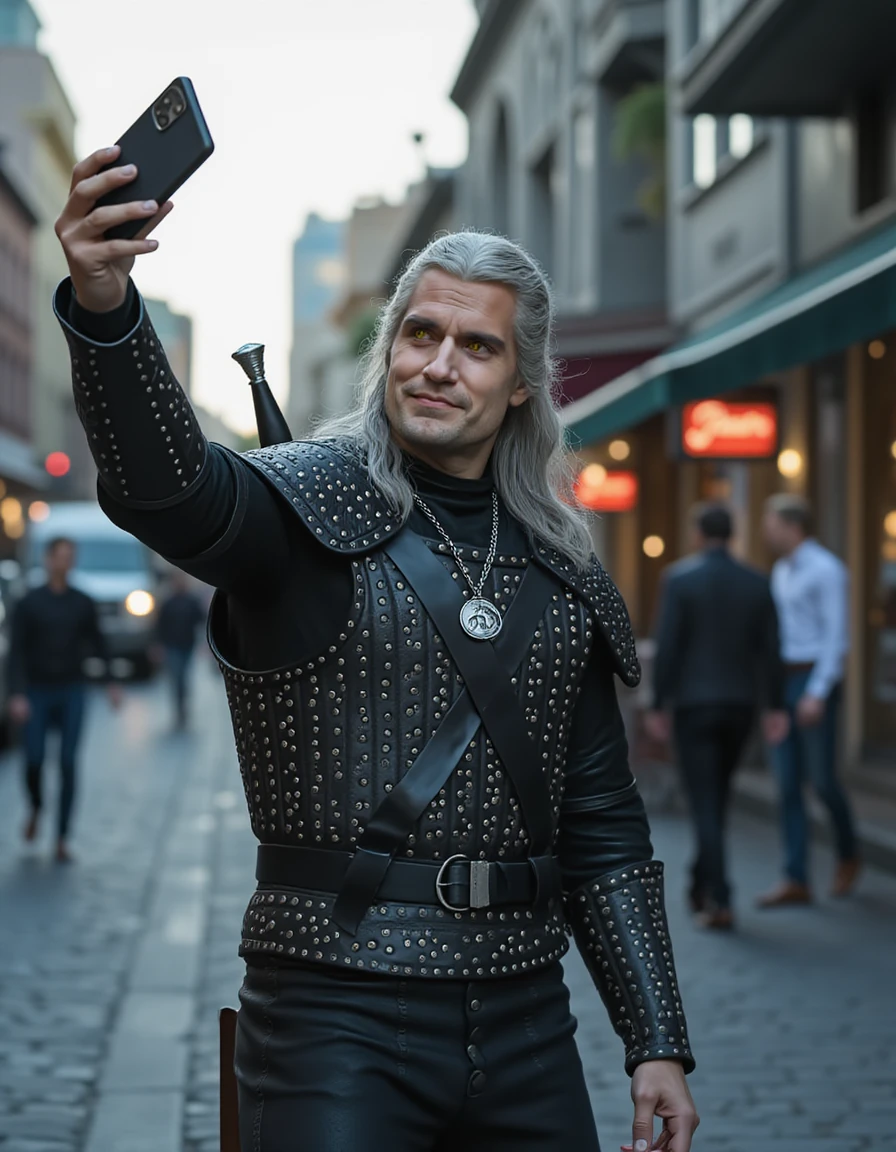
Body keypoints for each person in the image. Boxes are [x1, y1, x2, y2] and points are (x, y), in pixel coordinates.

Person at [51, 146, 699, 1152]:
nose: (438, 363)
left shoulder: (564, 571)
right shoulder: (300, 509)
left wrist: (654, 1040)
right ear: (390, 346)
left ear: (521, 384)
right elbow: (166, 493)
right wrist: (107, 311)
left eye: (475, 347)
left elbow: (602, 826)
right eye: (419, 332)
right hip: (330, 1013)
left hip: (529, 1017)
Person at [645, 504, 788, 930]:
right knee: (717, 797)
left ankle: (719, 896)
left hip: (693, 706)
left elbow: (667, 646)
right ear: (733, 534)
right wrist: (776, 707)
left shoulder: (681, 579)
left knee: (705, 801)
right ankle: (700, 881)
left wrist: (657, 704)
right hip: (740, 705)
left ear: (697, 534)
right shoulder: (757, 582)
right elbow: (771, 650)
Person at [757, 494, 860, 907]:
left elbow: (837, 638)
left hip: (814, 680)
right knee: (786, 784)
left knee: (821, 780)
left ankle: (849, 854)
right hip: (784, 683)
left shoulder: (827, 569)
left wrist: (817, 692)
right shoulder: (781, 570)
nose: (766, 530)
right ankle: (795, 876)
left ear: (791, 524)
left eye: (771, 522)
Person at [7, 536, 122, 862]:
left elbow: (99, 644)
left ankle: (61, 837)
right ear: (48, 559)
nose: (66, 562)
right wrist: (17, 694)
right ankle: (36, 805)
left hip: (72, 689)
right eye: (61, 556)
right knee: (33, 759)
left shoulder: (82, 602)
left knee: (69, 762)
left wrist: (111, 682)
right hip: (37, 691)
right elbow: (16, 653)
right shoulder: (29, 602)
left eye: (71, 556)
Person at [155, 568, 205, 730]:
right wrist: (158, 646)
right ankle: (179, 709)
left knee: (183, 677)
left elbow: (201, 621)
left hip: (187, 646)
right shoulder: (168, 603)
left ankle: (183, 706)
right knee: (176, 678)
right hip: (172, 647)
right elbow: (160, 626)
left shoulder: (192, 601)